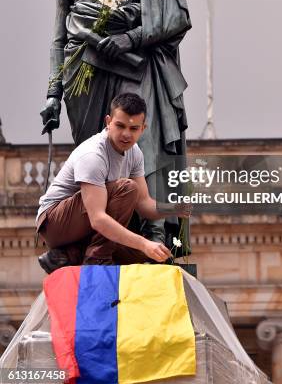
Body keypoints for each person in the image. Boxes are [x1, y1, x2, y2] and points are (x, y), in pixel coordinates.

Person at [40, 0, 191, 246]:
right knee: (99, 157)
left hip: (138, 65)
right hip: (86, 78)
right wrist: (53, 94)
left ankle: (154, 232)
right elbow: (60, 36)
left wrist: (130, 37)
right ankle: (98, 241)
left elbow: (173, 16)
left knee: (144, 141)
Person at [37, 93, 189, 274]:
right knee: (127, 189)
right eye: (120, 126)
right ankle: (97, 259)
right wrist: (144, 243)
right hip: (54, 223)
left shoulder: (135, 153)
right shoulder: (93, 154)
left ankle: (68, 255)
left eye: (133, 128)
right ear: (108, 121)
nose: (126, 134)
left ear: (143, 128)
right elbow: (98, 218)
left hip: (85, 227)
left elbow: (143, 204)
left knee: (141, 255)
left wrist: (175, 208)